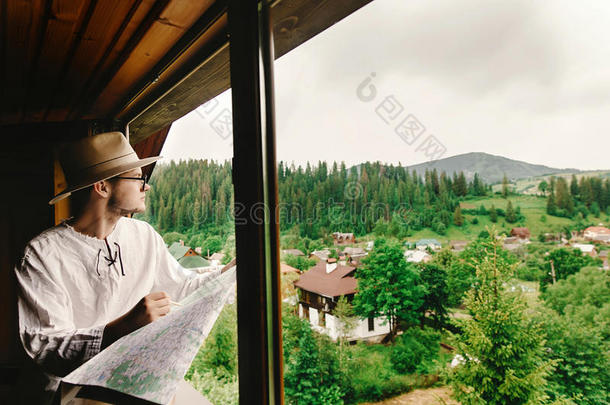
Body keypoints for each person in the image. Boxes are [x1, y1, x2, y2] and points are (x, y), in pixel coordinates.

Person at [15, 132, 211, 404]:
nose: (147, 186)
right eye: (137, 178)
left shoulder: (143, 235)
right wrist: (122, 328)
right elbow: (46, 348)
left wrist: (237, 269)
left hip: (135, 379)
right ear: (103, 187)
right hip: (76, 391)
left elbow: (184, 287)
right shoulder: (42, 254)